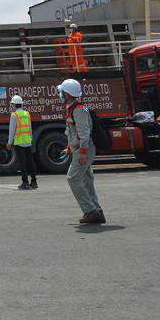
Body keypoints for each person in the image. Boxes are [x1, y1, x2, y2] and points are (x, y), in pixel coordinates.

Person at [59, 78, 105, 224]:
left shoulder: (78, 110)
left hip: (84, 148)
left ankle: (90, 211)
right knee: (86, 179)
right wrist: (69, 148)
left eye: (62, 91)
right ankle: (97, 211)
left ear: (67, 94)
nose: (61, 93)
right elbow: (74, 132)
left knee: (73, 178)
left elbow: (84, 133)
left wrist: (82, 152)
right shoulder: (73, 108)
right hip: (79, 148)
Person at [6, 96, 37, 190]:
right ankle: (34, 181)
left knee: (22, 162)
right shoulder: (27, 114)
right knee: (30, 161)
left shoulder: (14, 115)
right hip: (27, 140)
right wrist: (30, 138)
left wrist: (9, 142)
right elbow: (30, 128)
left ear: (14, 105)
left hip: (19, 141)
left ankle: (25, 182)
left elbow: (12, 130)